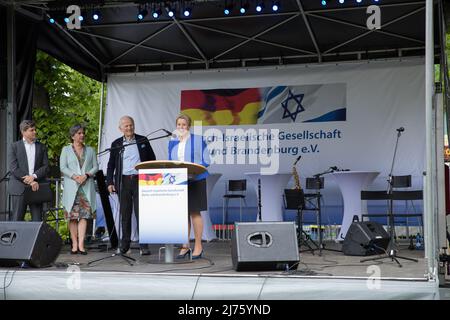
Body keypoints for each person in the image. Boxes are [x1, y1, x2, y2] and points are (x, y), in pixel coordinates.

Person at [107, 116, 156, 255]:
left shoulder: (143, 140)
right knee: (125, 215)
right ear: (120, 128)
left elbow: (152, 160)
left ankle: (144, 246)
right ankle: (125, 245)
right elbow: (111, 165)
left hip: (140, 180)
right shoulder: (116, 144)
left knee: (142, 214)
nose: (129, 128)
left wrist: (151, 180)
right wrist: (110, 182)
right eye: (126, 126)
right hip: (123, 182)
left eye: (131, 125)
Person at [168, 114, 210, 259]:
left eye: (183, 125)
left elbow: (207, 160)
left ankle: (198, 245)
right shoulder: (172, 142)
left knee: (194, 212)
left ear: (189, 126)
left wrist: (194, 169)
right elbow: (170, 161)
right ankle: (185, 246)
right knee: (182, 214)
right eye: (178, 124)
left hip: (196, 179)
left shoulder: (198, 140)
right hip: (179, 181)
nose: (181, 127)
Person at [60, 124, 99, 255]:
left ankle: (81, 245)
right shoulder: (65, 150)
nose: (82, 135)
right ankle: (74, 244)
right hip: (72, 188)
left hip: (86, 188)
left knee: (84, 216)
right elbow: (63, 167)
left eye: (83, 133)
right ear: (72, 136)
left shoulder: (91, 150)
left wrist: (86, 175)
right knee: (72, 217)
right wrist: (75, 176)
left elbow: (95, 167)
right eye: (79, 133)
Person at [7, 120, 49, 221]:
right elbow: (13, 168)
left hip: (36, 187)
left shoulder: (41, 147)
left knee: (37, 221)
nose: (35, 132)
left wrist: (33, 177)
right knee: (17, 220)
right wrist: (30, 181)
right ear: (23, 132)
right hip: (19, 188)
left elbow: (46, 167)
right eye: (32, 130)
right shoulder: (14, 146)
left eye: (35, 130)